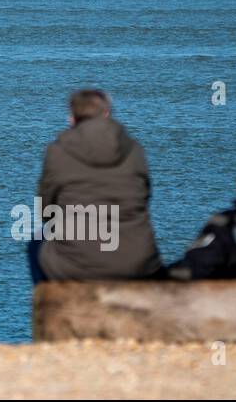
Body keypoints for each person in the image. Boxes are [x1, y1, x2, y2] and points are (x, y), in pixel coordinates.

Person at [28, 89, 164, 283]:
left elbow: (46, 210)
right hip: (137, 262)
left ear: (72, 118)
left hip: (76, 263)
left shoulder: (57, 151)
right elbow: (145, 197)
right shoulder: (134, 149)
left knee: (37, 241)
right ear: (107, 114)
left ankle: (52, 305)